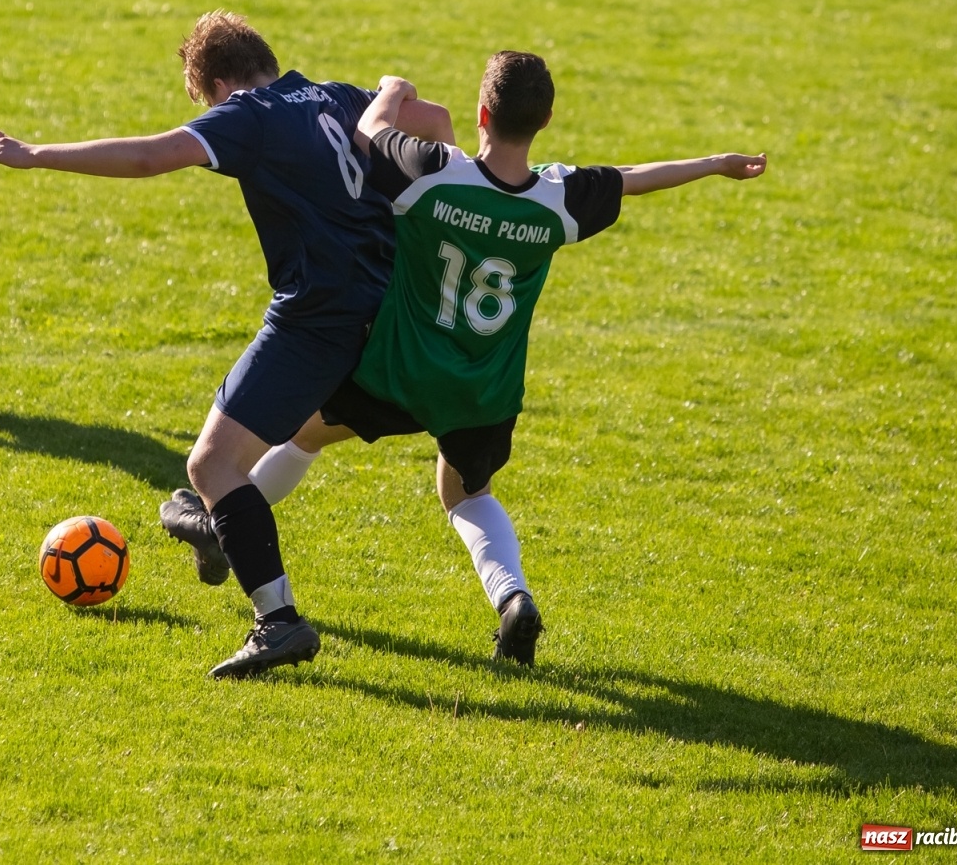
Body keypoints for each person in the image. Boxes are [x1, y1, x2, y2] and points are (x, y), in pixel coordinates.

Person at [183, 51, 767, 666]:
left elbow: (369, 132)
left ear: (482, 113)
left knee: (304, 433)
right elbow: (629, 177)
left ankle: (224, 526)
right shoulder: (558, 198)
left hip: (403, 373)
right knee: (466, 494)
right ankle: (513, 598)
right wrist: (714, 164)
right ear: (544, 121)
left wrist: (390, 89)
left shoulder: (433, 173)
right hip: (485, 391)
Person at [0, 11, 452, 678]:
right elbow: (437, 120)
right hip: (392, 315)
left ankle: (278, 620)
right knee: (293, 438)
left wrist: (36, 155)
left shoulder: (249, 114)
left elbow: (150, 156)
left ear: (219, 85)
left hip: (319, 315)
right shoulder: (341, 96)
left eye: (205, 102)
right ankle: (214, 526)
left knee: (211, 466)